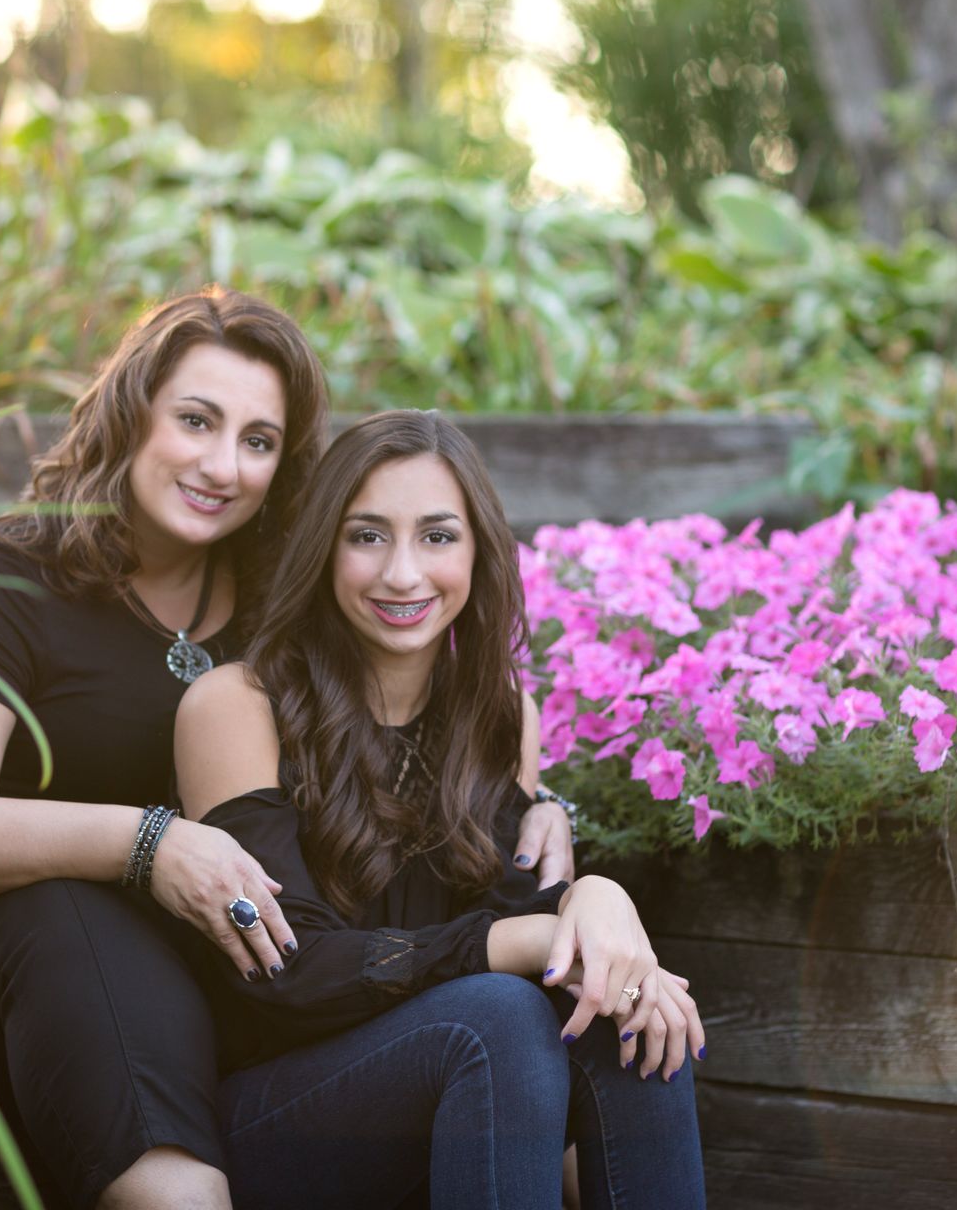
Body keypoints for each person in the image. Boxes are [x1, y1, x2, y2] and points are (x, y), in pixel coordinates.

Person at [0, 292, 577, 1210]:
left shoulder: (286, 599)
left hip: (211, 959)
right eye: (196, 421)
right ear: (132, 413)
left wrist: (541, 803)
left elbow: (410, 721)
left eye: (259, 441)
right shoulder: (5, 584)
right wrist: (149, 844)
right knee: (72, 915)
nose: (222, 465)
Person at [175, 409, 707, 1209]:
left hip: (462, 1092)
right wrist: (521, 940)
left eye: (436, 536)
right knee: (496, 1015)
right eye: (366, 536)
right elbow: (285, 970)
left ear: (477, 551)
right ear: (324, 548)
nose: (401, 574)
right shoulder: (238, 706)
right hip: (271, 1120)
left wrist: (597, 897)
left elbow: (512, 917)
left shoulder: (498, 713)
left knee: (636, 1011)